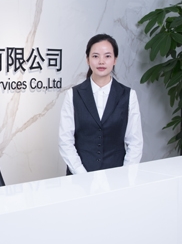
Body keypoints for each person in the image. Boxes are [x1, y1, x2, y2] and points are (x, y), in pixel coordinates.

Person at [59, 34, 143, 174]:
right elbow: (65, 141)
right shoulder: (73, 95)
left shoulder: (128, 95)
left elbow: (135, 142)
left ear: (115, 59)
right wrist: (82, 174)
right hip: (79, 177)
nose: (101, 62)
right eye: (95, 56)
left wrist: (124, 174)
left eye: (107, 56)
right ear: (87, 59)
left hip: (117, 176)